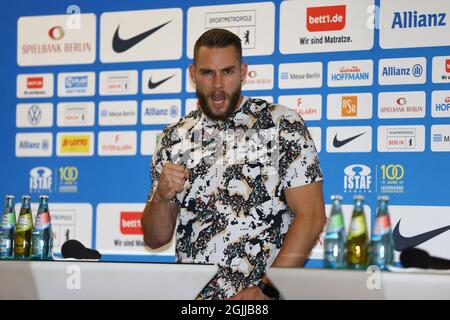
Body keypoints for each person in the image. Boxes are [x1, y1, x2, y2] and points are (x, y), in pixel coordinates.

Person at [141, 28, 326, 300]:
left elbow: (312, 216)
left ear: (243, 71)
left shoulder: (281, 125)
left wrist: (267, 288)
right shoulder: (175, 137)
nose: (217, 85)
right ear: (193, 74)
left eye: (227, 72)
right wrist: (161, 196)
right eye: (207, 73)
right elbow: (155, 239)